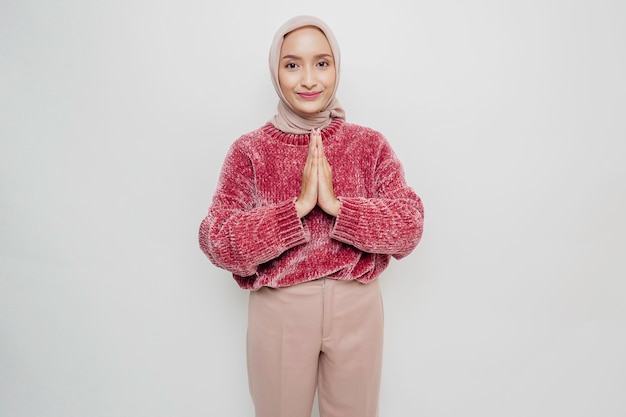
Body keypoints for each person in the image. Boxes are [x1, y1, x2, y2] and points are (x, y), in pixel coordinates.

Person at [198, 15, 424, 417]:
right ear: (276, 71)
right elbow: (217, 241)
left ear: (337, 67)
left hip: (357, 307)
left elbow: (409, 226)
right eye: (292, 64)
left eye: (322, 63)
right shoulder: (250, 151)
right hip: (280, 309)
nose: (308, 79)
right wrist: (296, 210)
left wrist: (339, 208)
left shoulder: (368, 145)